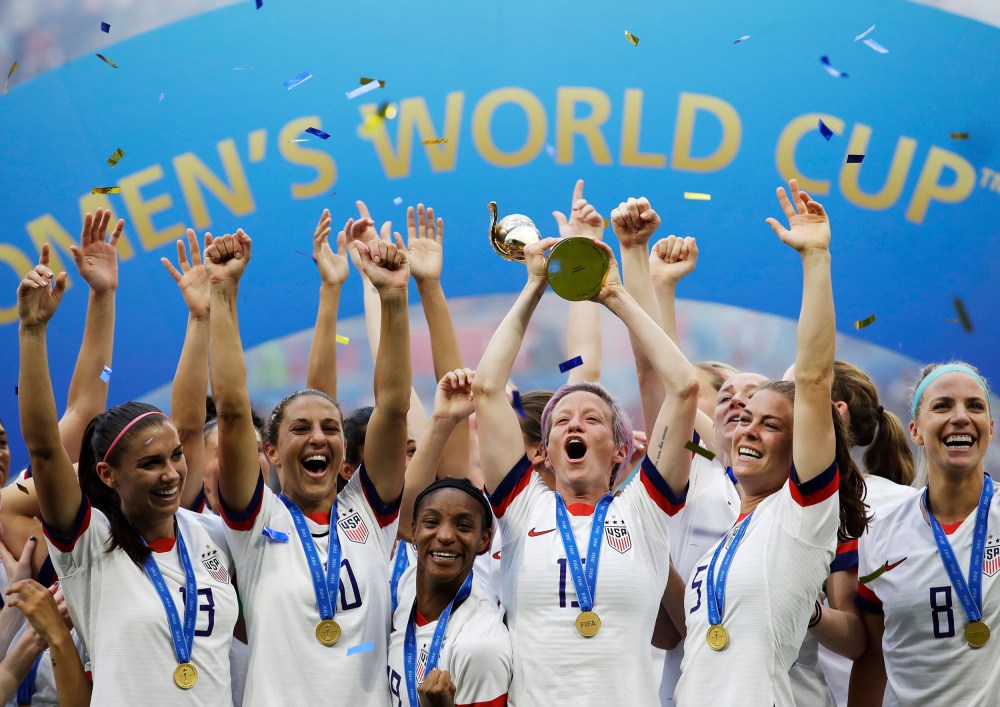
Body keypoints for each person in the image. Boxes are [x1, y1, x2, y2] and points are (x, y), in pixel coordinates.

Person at [473, 222, 701, 704]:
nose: (574, 426)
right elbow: (488, 389)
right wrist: (534, 284)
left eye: (592, 419)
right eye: (561, 422)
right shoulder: (520, 506)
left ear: (621, 448)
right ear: (545, 451)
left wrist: (614, 296)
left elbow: (683, 387)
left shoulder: (645, 511)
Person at [671, 180, 868, 706]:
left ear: (801, 443)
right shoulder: (730, 535)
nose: (746, 430)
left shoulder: (800, 518)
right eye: (743, 418)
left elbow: (814, 379)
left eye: (770, 424)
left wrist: (816, 259)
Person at [17, 248, 238, 704]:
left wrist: (200, 320)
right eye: (150, 463)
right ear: (107, 475)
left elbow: (193, 424)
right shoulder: (89, 543)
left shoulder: (210, 534)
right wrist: (33, 332)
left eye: (175, 457)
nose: (172, 474)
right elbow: (43, 447)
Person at [208, 224, 410, 705]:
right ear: (271, 452)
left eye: (331, 428)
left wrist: (396, 299)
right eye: (300, 429)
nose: (318, 437)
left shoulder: (369, 512)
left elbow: (394, 408)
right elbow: (234, 411)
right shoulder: (256, 521)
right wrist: (222, 292)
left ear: (344, 451)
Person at [851, 362, 996, 706]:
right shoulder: (879, 532)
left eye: (974, 405)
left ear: (990, 429)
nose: (960, 416)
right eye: (943, 405)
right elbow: (873, 657)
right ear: (915, 430)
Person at [387, 472, 512, 707]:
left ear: (484, 540)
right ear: (413, 531)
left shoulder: (480, 645)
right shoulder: (406, 585)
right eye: (432, 522)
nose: (445, 536)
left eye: (463, 526)